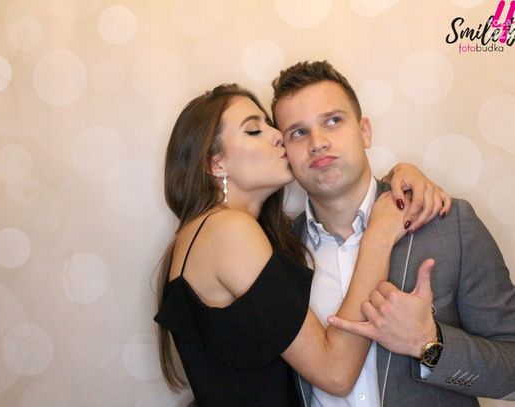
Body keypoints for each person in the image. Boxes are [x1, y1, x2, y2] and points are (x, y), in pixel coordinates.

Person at [154, 84, 448, 407]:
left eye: (272, 126)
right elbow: (336, 373)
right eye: (254, 130)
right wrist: (378, 236)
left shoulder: (213, 233)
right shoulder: (228, 231)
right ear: (216, 164)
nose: (277, 136)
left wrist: (399, 175)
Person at [271, 60, 515, 407]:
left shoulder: (450, 224)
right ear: (284, 152)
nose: (318, 143)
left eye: (333, 121)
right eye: (298, 132)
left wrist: (429, 343)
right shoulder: (275, 254)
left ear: (365, 132)